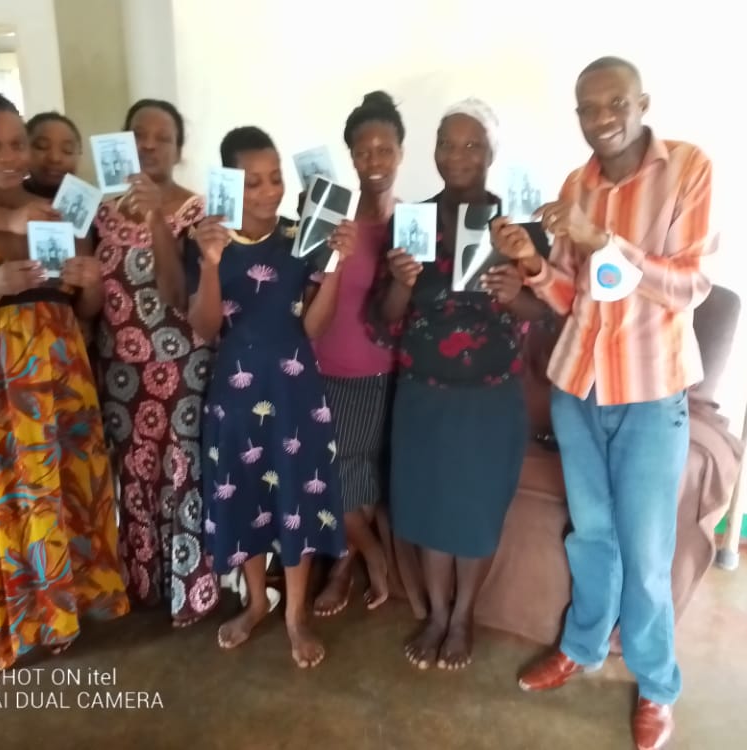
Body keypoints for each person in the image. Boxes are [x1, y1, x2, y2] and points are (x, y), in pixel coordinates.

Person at [492, 57, 717, 750]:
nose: (602, 118)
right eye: (588, 108)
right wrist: (533, 263)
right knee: (591, 537)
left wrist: (602, 240)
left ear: (642, 102)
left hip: (650, 391)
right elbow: (572, 295)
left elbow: (690, 285)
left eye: (615, 102)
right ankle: (582, 646)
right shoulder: (574, 186)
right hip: (579, 387)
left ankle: (656, 686)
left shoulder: (688, 168)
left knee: (646, 554)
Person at [0, 92, 128, 670]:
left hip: (63, 385)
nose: (8, 156)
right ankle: (22, 619)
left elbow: (85, 310)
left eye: (16, 143)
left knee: (69, 494)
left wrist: (91, 281)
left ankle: (69, 609)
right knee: (12, 502)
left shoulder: (60, 213)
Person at [373, 98, 547, 671]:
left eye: (472, 144)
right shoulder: (411, 221)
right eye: (447, 143)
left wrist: (514, 296)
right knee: (427, 508)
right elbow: (384, 317)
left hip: (489, 398)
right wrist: (402, 282)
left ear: (493, 152)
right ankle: (436, 615)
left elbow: (549, 313)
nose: (458, 155)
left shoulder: (518, 225)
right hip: (423, 395)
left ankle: (463, 617)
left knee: (474, 511)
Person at [186, 126, 352, 668]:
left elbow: (316, 328)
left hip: (294, 391)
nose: (268, 191)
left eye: (275, 178)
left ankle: (295, 616)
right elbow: (206, 327)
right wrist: (210, 263)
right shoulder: (208, 239)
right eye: (253, 181)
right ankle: (257, 602)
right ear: (229, 183)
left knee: (296, 496)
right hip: (235, 394)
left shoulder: (300, 237)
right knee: (244, 494)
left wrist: (336, 266)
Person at [94, 98, 220, 628]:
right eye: (139, 136)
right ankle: (144, 583)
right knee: (134, 472)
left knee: (181, 471)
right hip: (119, 370)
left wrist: (154, 219)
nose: (148, 146)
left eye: (162, 138)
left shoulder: (197, 211)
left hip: (182, 367)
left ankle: (190, 589)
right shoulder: (99, 211)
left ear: (178, 148)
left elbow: (177, 294)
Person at [309, 91, 404, 617]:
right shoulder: (332, 217)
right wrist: (331, 253)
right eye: (363, 152)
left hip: (383, 371)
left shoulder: (413, 223)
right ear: (351, 157)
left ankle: (347, 563)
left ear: (401, 152)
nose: (374, 161)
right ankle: (367, 554)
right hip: (326, 365)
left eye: (384, 149)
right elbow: (308, 290)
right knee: (335, 468)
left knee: (355, 470)